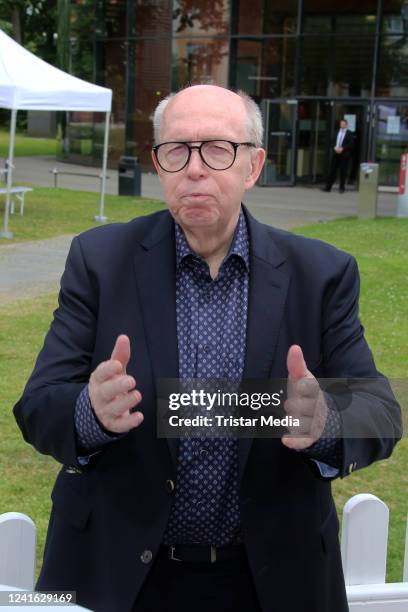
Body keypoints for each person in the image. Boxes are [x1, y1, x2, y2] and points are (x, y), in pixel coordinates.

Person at [13, 85, 401, 612]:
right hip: (120, 575)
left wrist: (327, 420)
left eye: (217, 148)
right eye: (176, 150)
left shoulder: (321, 274)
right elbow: (38, 404)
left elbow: (379, 411)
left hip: (268, 580)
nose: (194, 169)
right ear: (158, 164)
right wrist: (90, 412)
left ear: (254, 165)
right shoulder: (99, 262)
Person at [323, 119, 355, 193]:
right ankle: (328, 187)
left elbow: (351, 144)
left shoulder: (350, 133)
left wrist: (342, 148)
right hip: (336, 154)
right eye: (341, 124)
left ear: (346, 125)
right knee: (332, 170)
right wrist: (335, 148)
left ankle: (341, 188)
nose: (342, 125)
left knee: (343, 171)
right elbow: (332, 142)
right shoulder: (336, 132)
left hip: (344, 155)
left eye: (343, 124)